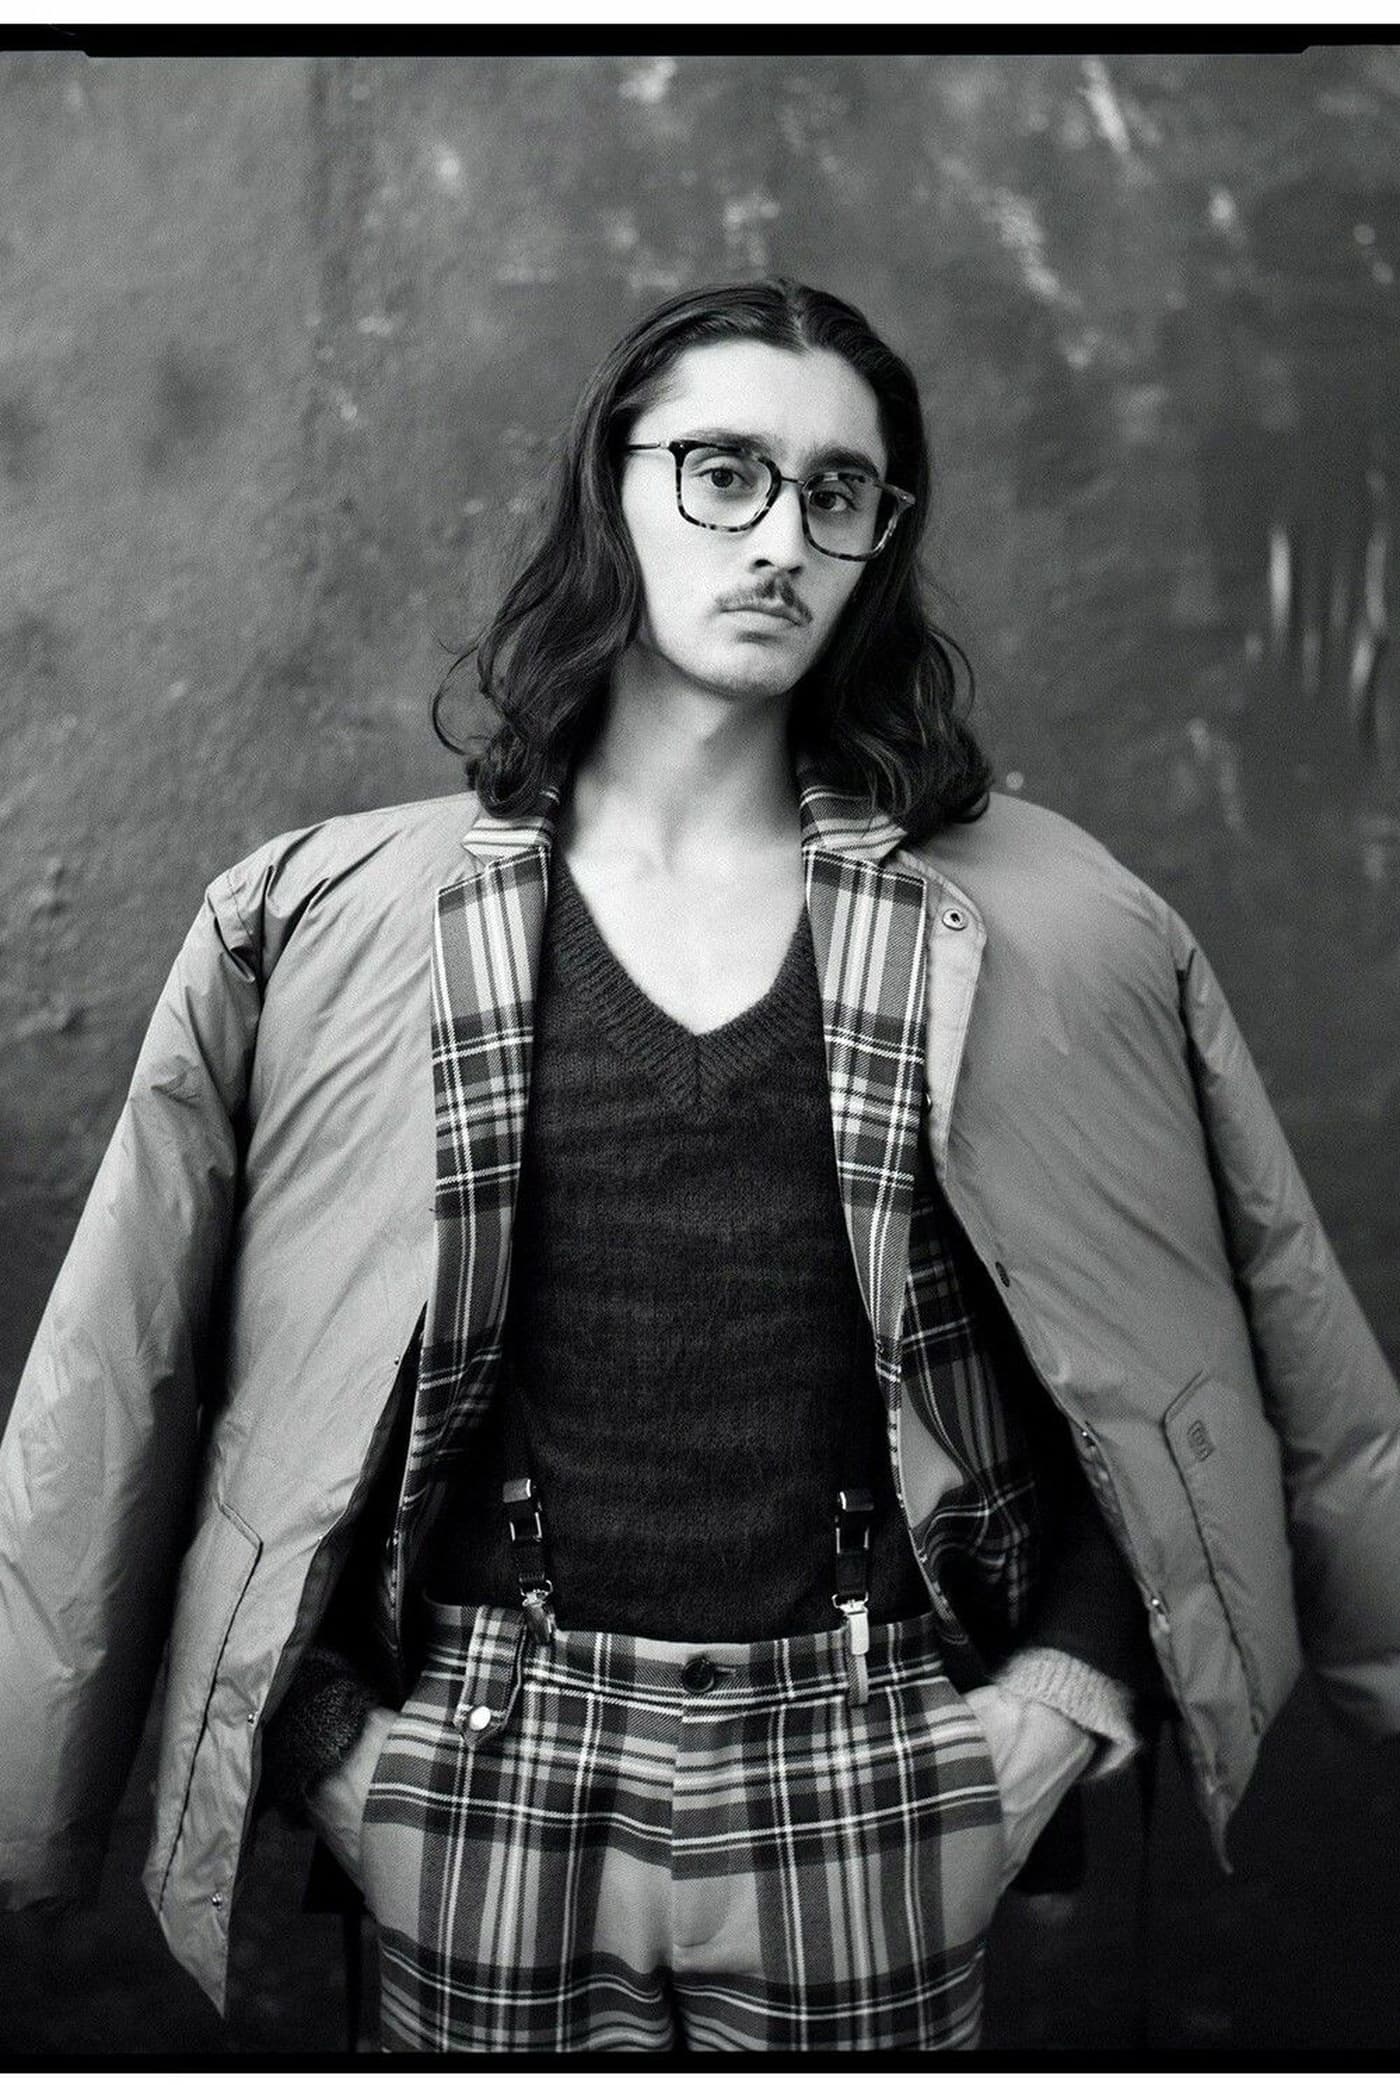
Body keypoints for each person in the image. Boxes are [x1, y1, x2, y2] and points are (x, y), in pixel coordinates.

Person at [0, 278, 1396, 2056]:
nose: (783, 539)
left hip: (880, 1759)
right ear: (615, 486)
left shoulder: (1055, 925)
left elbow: (1199, 1337)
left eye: (840, 492)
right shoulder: (330, 918)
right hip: (475, 1767)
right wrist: (336, 1740)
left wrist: (1054, 1699)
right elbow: (138, 1363)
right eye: (725, 472)